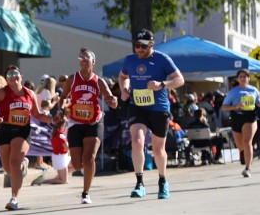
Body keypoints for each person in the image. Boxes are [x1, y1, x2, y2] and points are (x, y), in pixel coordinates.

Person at [118, 28, 184, 199]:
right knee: (137, 141)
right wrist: (124, 89)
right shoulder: (130, 60)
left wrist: (161, 84)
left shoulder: (162, 59)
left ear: (152, 44)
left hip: (159, 109)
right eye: (137, 45)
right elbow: (123, 76)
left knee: (158, 149)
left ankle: (162, 180)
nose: (140, 49)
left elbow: (180, 80)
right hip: (137, 106)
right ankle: (139, 183)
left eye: (144, 46)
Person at [0, 65, 53, 210]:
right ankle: (22, 165)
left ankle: (14, 199)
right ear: (6, 79)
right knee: (9, 170)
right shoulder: (1, 93)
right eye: (9, 75)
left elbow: (37, 114)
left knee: (14, 162)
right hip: (4, 130)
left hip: (22, 131)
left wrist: (52, 119)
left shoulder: (30, 94)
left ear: (21, 76)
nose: (13, 77)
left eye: (15, 74)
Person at [61, 48, 118, 204]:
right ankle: (82, 169)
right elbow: (63, 97)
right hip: (75, 122)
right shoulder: (72, 79)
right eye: (81, 58)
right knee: (77, 163)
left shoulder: (99, 81)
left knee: (89, 158)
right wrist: (61, 108)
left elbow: (111, 100)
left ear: (93, 62)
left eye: (87, 57)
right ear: (79, 62)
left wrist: (113, 101)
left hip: (94, 121)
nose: (84, 59)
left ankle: (85, 193)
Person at [222, 69, 260, 177]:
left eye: (245, 76)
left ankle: (248, 168)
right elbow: (224, 107)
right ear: (237, 79)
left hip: (250, 117)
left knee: (247, 141)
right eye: (241, 76)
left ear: (248, 78)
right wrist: (236, 106)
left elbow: (258, 102)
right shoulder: (233, 92)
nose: (243, 78)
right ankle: (248, 155)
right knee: (240, 146)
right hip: (236, 118)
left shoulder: (254, 90)